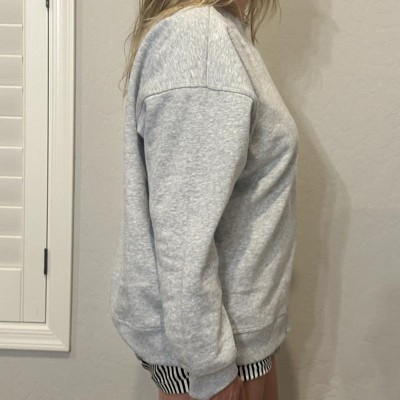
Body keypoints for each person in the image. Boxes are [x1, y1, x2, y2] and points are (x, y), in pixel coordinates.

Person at [110, 1, 299, 399]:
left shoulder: (218, 36)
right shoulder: (199, 40)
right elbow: (184, 240)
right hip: (220, 351)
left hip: (232, 337)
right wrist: (211, 369)